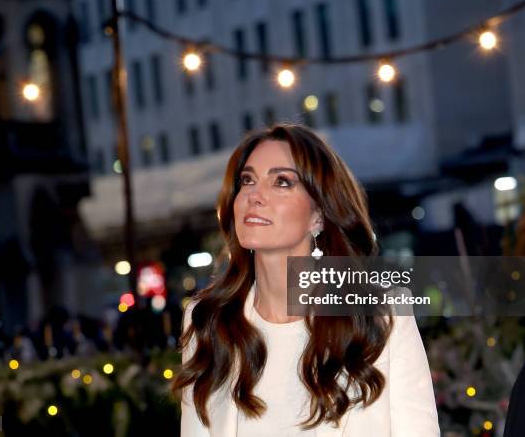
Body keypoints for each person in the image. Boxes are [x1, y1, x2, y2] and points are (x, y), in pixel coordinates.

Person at [172, 124, 439, 436]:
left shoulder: (382, 316)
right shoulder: (206, 322)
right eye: (247, 180)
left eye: (282, 182)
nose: (255, 195)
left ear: (319, 215)